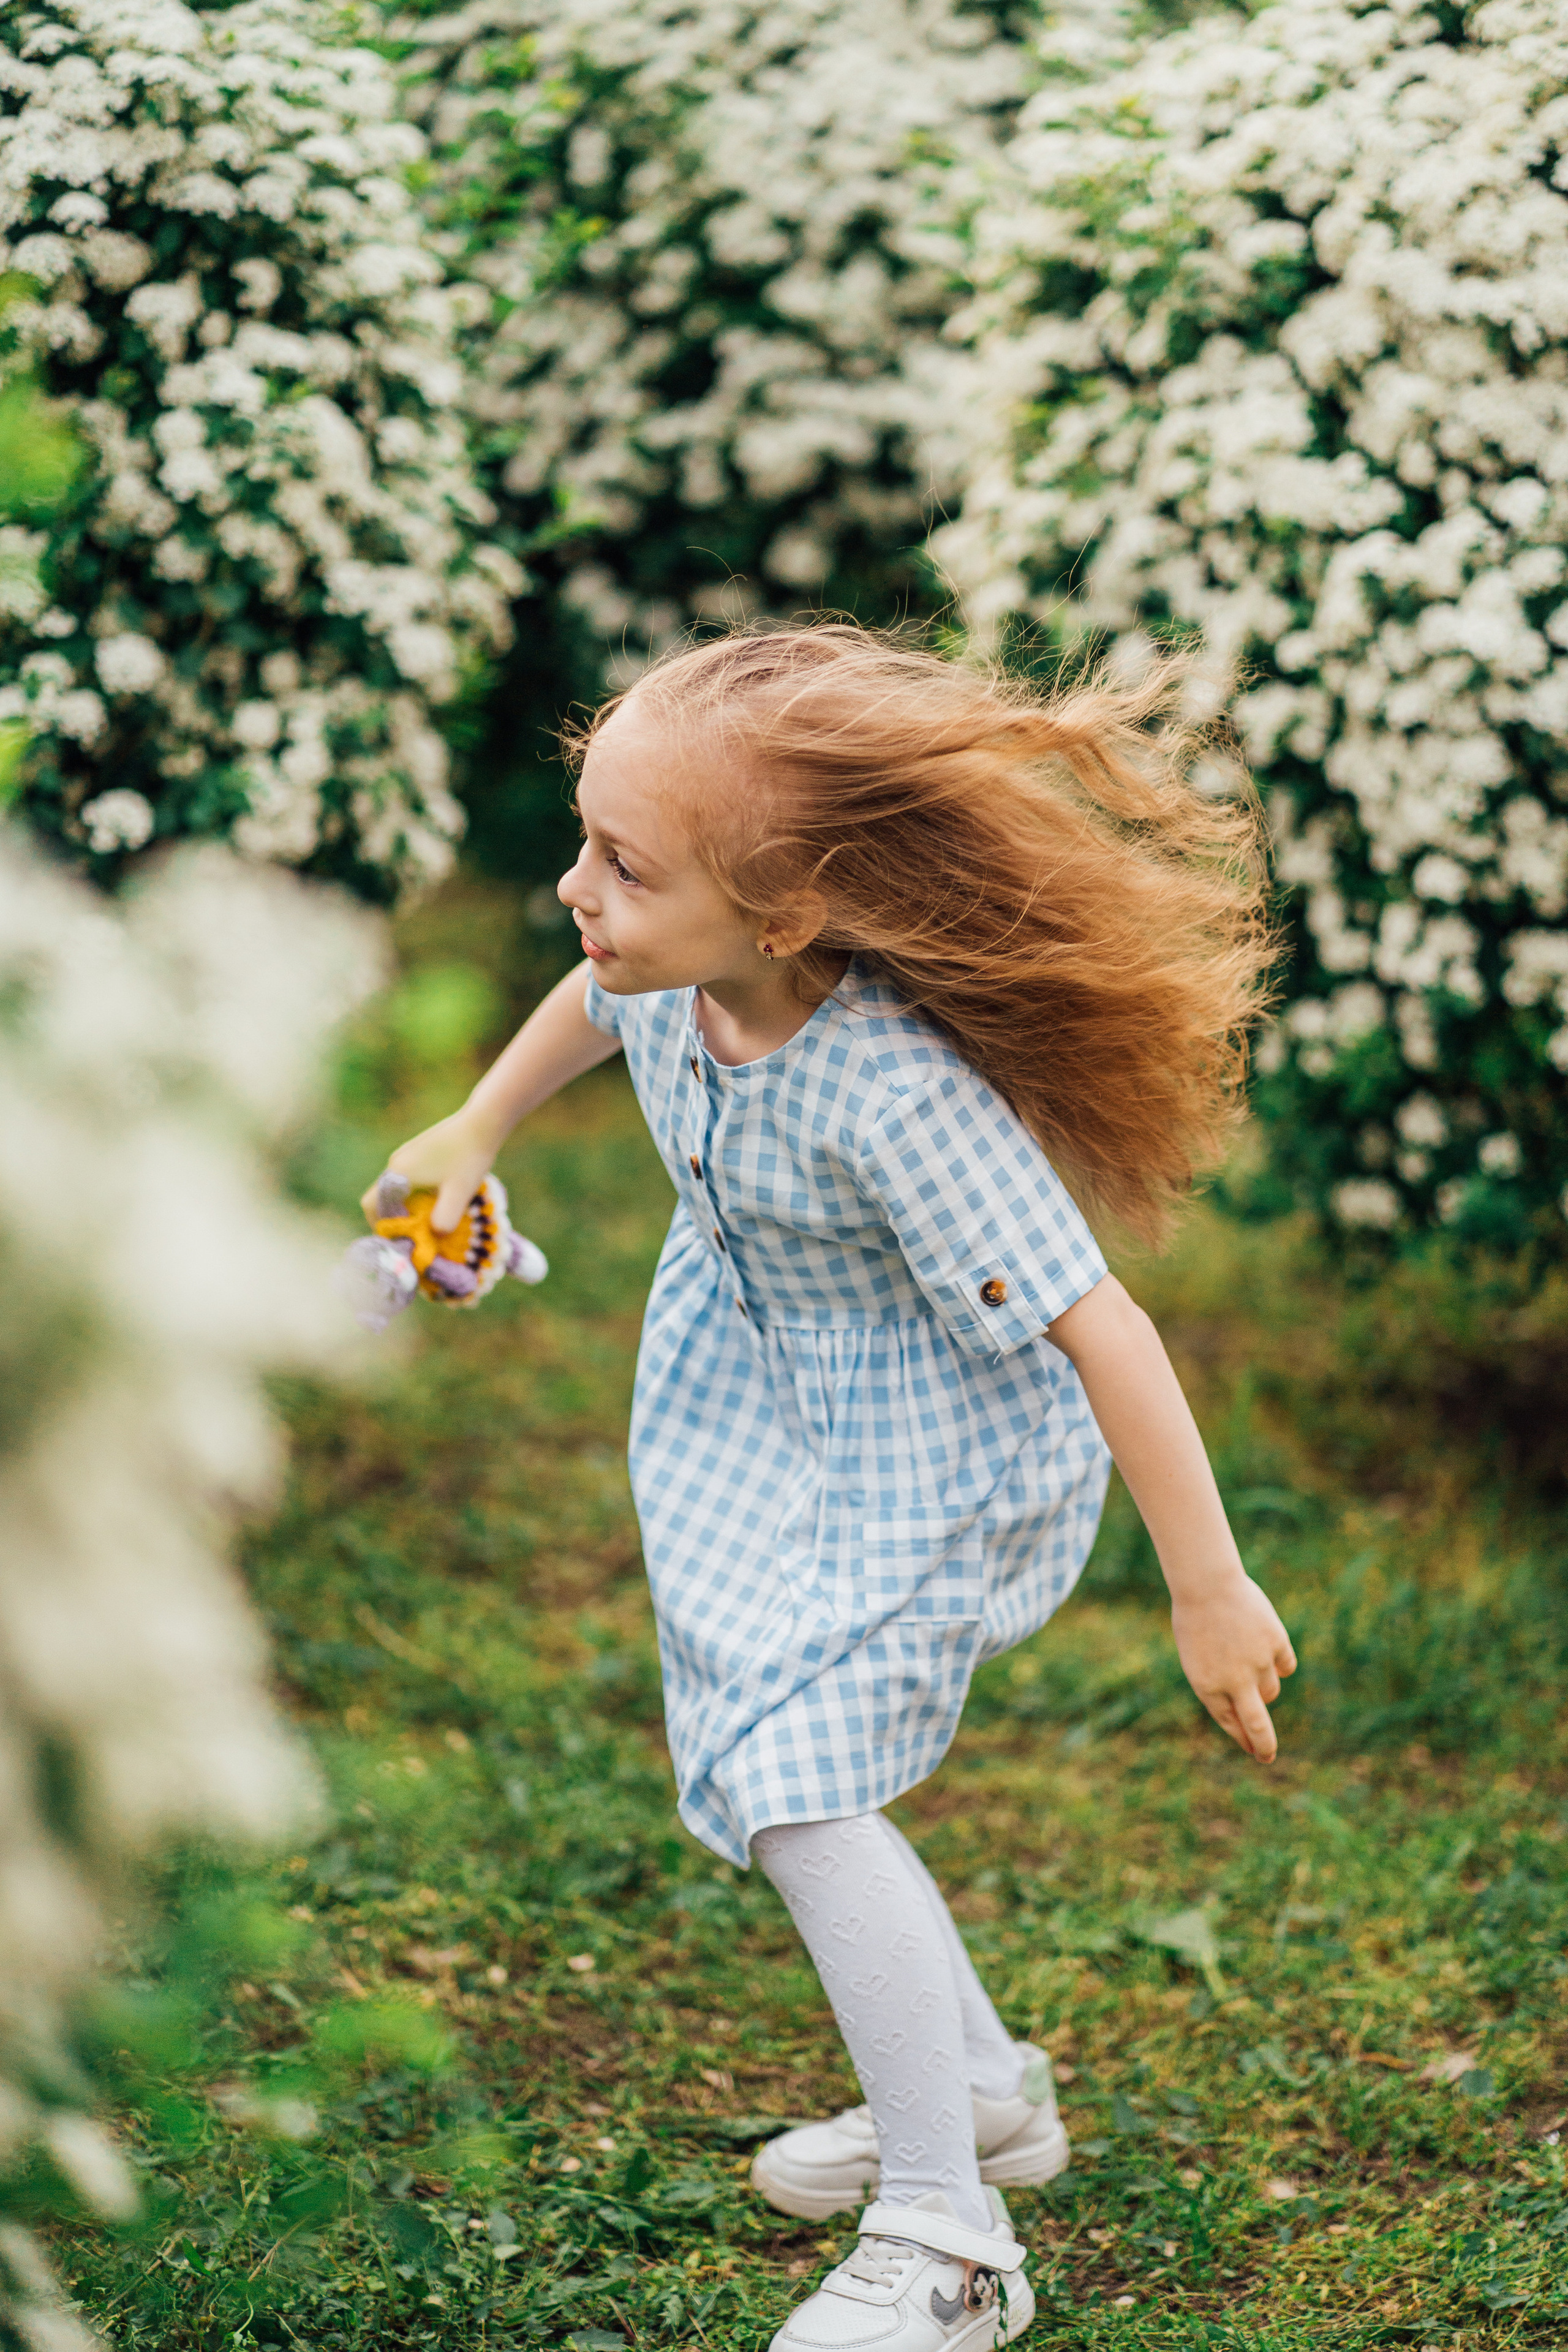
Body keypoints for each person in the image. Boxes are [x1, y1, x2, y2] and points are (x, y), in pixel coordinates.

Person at [366, 624, 1296, 2350]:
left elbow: (1110, 1333)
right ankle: (984, 2098)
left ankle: (952, 2241)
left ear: (784, 913)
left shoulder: (892, 1090)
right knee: (758, 1737)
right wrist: (473, 1134)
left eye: (623, 865)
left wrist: (1207, 1585)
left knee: (797, 1786)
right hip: (757, 1434)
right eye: (585, 841)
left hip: (937, 1471)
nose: (578, 892)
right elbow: (584, 1002)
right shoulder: (667, 980)